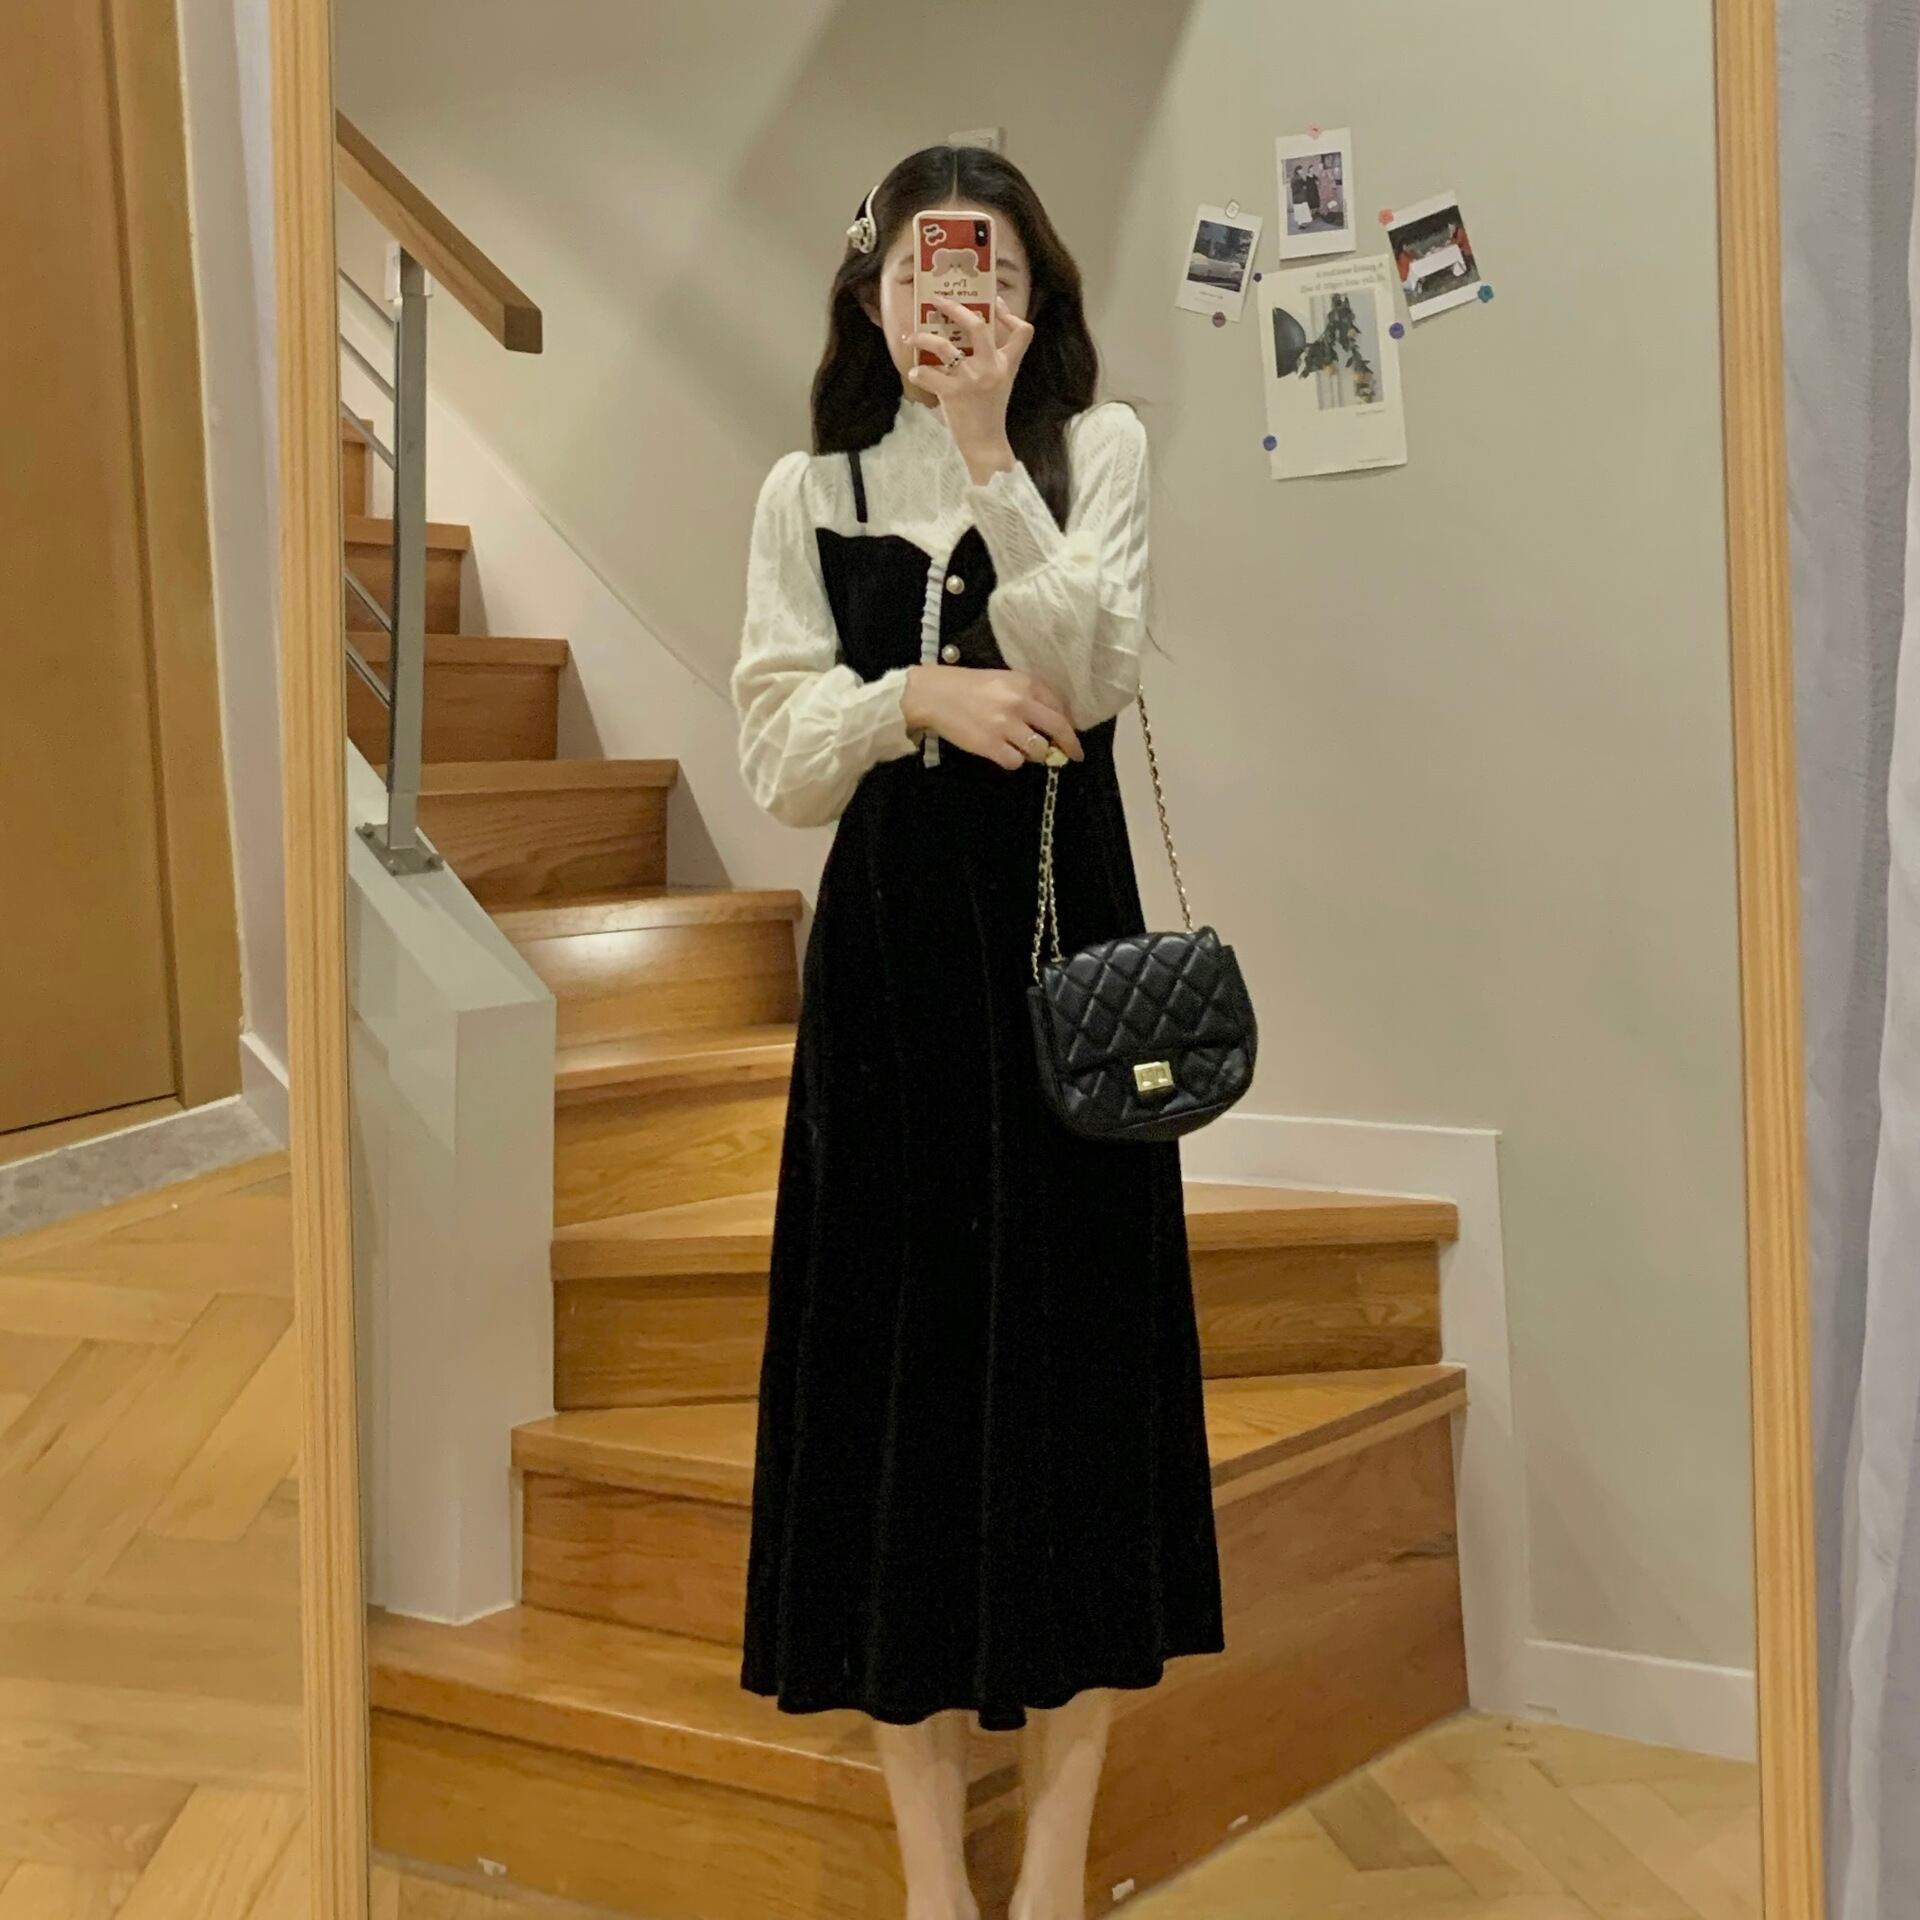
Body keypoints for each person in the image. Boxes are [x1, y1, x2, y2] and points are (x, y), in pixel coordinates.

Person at [729, 144, 1226, 1920]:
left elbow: (1091, 674)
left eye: (996, 274)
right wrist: (911, 697)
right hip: (888, 986)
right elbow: (777, 760)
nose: (961, 302)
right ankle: (934, 1880)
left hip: (1063, 955)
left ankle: (1057, 1869)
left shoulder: (1098, 451)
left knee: (1081, 1380)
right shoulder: (809, 487)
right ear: (872, 293)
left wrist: (995, 453)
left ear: (1038, 296)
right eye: (932, 274)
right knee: (898, 1398)